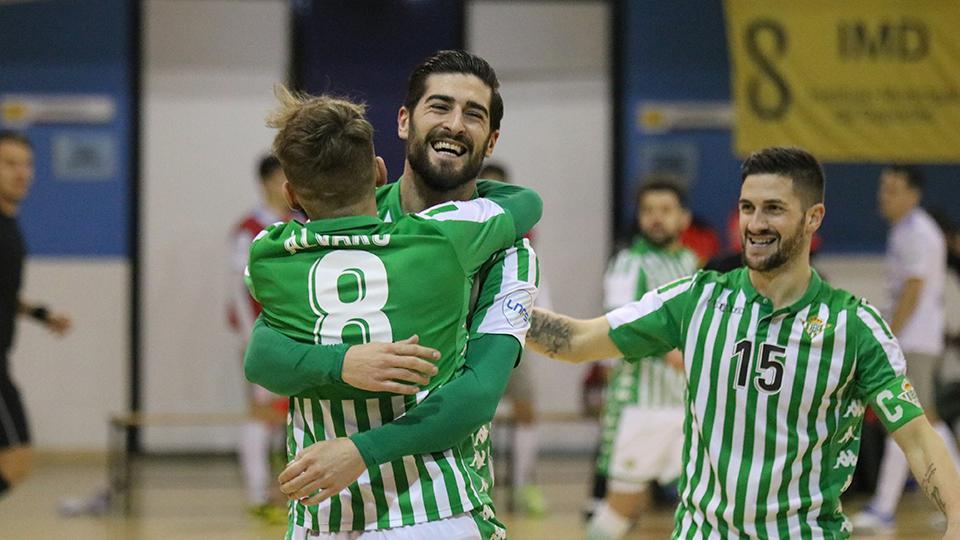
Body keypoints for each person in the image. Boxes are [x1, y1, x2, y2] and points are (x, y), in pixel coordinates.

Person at [524, 146, 960, 538]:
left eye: (773, 209)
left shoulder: (853, 325)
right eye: (747, 208)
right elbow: (579, 340)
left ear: (813, 218)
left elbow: (918, 438)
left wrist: (957, 521)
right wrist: (491, 309)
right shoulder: (697, 297)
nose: (755, 223)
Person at [245, 50, 541, 538]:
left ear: (491, 140)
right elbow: (264, 355)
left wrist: (362, 449)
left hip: (429, 502)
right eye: (439, 107)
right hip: (325, 515)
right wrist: (344, 363)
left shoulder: (510, 253)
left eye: (474, 114)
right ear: (404, 121)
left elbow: (478, 394)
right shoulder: (356, 223)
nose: (455, 124)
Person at [587, 179, 699, 540]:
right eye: (648, 211)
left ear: (683, 218)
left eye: (665, 211)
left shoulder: (688, 261)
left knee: (703, 501)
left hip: (686, 404)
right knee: (624, 506)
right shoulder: (629, 264)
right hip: (640, 406)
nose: (655, 219)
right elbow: (621, 326)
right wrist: (674, 354)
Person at [852, 165, 960, 532]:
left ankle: (887, 507)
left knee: (911, 420)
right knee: (918, 419)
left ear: (914, 195)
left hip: (914, 340)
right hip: (914, 339)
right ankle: (946, 499)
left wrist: (889, 335)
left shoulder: (918, 232)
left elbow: (913, 290)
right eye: (883, 187)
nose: (884, 195)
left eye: (893, 189)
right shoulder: (904, 230)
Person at [0, 130, 72, 497]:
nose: (22, 172)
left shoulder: (10, 225)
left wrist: (42, 314)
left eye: (26, 164)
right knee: (17, 458)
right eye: (10, 163)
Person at [228, 154, 299, 523]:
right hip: (262, 336)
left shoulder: (298, 224)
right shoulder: (249, 229)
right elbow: (240, 291)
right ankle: (257, 494)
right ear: (270, 181)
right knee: (261, 414)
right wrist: (248, 337)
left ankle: (282, 494)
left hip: (293, 337)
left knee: (287, 418)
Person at [477, 161, 549, 516]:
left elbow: (537, 287)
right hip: (472, 341)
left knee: (526, 410)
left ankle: (524, 486)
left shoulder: (523, 240)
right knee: (474, 415)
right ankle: (478, 486)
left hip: (517, 338)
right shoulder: (466, 235)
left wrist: (542, 333)